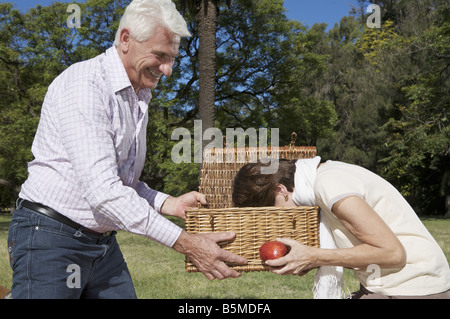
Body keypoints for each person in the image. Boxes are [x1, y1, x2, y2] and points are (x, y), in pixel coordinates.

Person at [7, 0, 246, 299]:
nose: (168, 70)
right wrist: (187, 243)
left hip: (101, 243)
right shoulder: (86, 85)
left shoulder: (137, 96)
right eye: (160, 55)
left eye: (172, 58)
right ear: (125, 40)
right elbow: (104, 191)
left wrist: (168, 203)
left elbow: (121, 182)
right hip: (50, 237)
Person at [232, 157, 450, 299]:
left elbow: (392, 253)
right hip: (390, 285)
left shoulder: (329, 184)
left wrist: (315, 257)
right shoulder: (323, 178)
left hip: (415, 288)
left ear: (281, 190)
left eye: (273, 210)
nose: (280, 217)